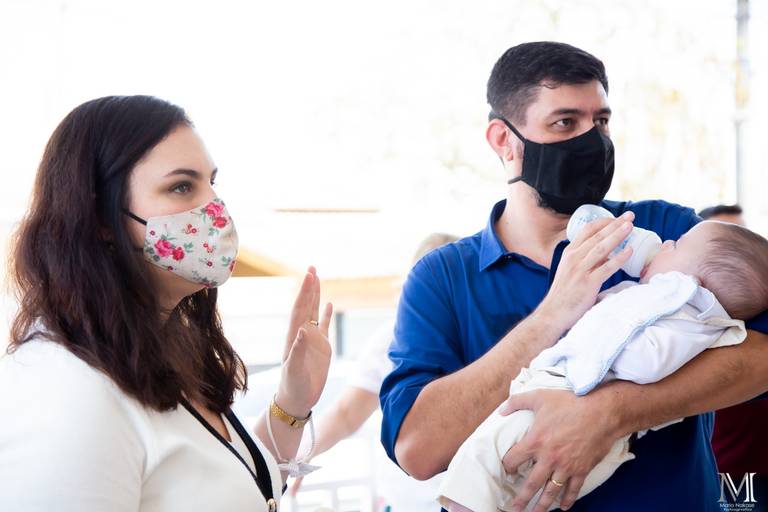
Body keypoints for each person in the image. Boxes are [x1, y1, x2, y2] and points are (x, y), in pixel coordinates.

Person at [380, 42, 768, 512]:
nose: (592, 140)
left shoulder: (670, 233)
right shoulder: (442, 276)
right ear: (504, 140)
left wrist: (610, 413)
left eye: (600, 122)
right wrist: (552, 315)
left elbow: (761, 355)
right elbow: (417, 450)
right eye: (565, 122)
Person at [0, 95, 334, 512]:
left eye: (211, 183)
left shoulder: (159, 352)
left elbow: (235, 491)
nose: (215, 209)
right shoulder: (66, 391)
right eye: (181, 186)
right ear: (101, 218)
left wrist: (292, 401)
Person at [438, 220, 768, 511]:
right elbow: (417, 453)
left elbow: (645, 361)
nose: (666, 242)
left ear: (690, 285)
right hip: (603, 454)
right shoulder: (443, 271)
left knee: (484, 451)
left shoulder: (677, 314)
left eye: (678, 245)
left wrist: (602, 403)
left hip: (566, 395)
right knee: (515, 488)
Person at [290, 233, 458, 511]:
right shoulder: (391, 338)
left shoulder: (487, 339)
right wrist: (301, 454)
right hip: (403, 501)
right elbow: (347, 413)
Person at [699, 204, 768, 510]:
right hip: (725, 473)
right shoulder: (692, 325)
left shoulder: (758, 307)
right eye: (728, 237)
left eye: (745, 233)